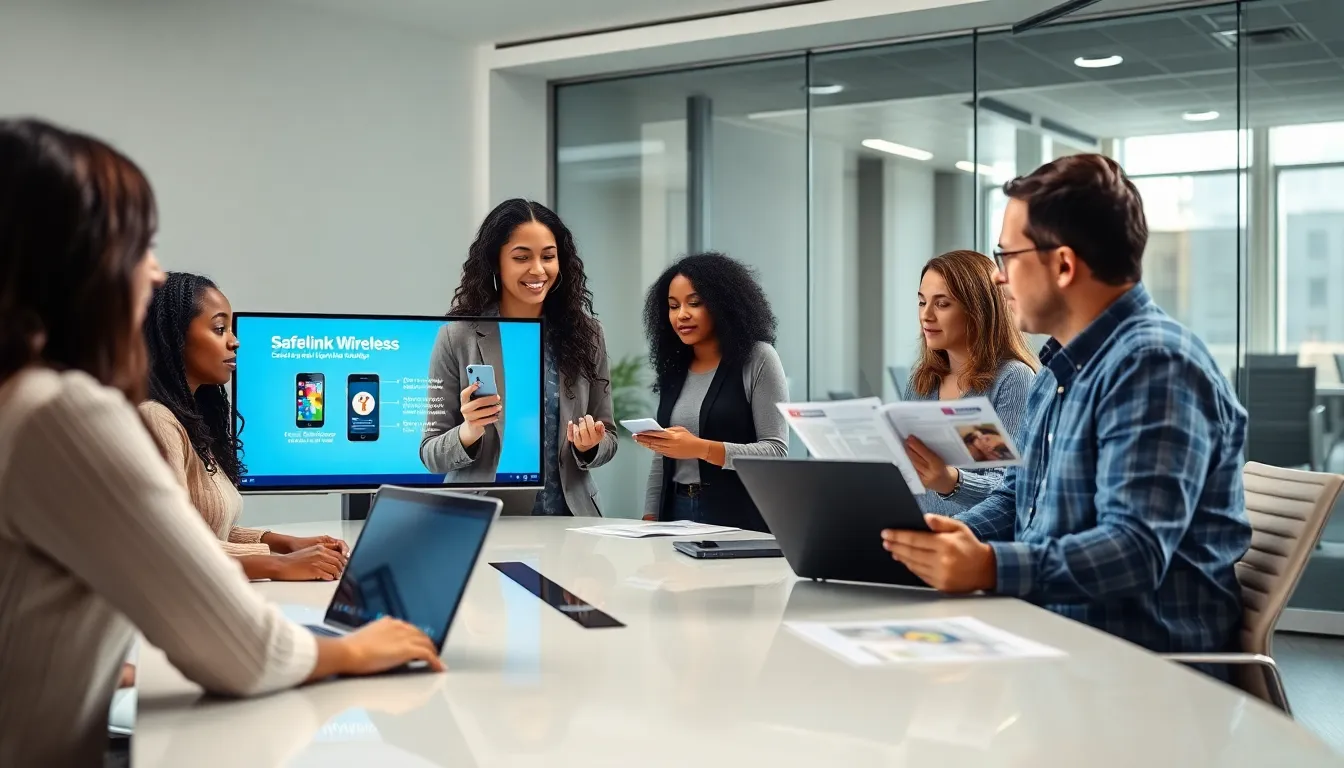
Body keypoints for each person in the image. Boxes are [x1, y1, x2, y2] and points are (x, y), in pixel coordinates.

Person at [0, 118, 443, 767]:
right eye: (137, 246)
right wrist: (353, 649)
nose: (153, 275)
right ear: (72, 261)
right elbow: (239, 649)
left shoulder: (18, 399)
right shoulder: (59, 412)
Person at [881, 153, 1252, 663]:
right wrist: (942, 540)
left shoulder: (1154, 366)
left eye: (1007, 256)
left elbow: (1134, 550)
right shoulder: (1058, 369)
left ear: (1062, 264)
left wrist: (989, 567)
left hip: (1134, 664)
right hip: (1049, 633)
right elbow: (1018, 499)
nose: (997, 279)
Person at [141, 271, 350, 581]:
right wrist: (279, 564)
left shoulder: (188, 421)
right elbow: (171, 544)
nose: (235, 341)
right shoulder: (156, 419)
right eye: (219, 328)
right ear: (174, 337)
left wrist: (286, 544)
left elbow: (208, 526)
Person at [420, 199, 617, 516]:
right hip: (482, 518)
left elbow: (608, 437)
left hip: (571, 519)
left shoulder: (588, 335)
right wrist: (469, 430)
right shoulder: (457, 336)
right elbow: (431, 454)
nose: (538, 270)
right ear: (497, 263)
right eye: (522, 257)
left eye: (548, 257)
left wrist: (589, 444)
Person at [637, 252, 789, 532]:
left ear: (723, 305)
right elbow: (662, 456)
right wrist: (650, 518)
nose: (681, 314)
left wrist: (700, 448)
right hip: (675, 512)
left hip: (738, 515)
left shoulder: (759, 358)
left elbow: (775, 450)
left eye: (694, 303)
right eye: (673, 306)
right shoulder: (676, 367)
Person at [901, 250, 1036, 514]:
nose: (926, 315)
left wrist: (950, 481)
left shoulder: (1012, 379)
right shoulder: (922, 382)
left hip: (975, 546)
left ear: (978, 310)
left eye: (942, 304)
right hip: (922, 541)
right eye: (921, 302)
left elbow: (1010, 490)